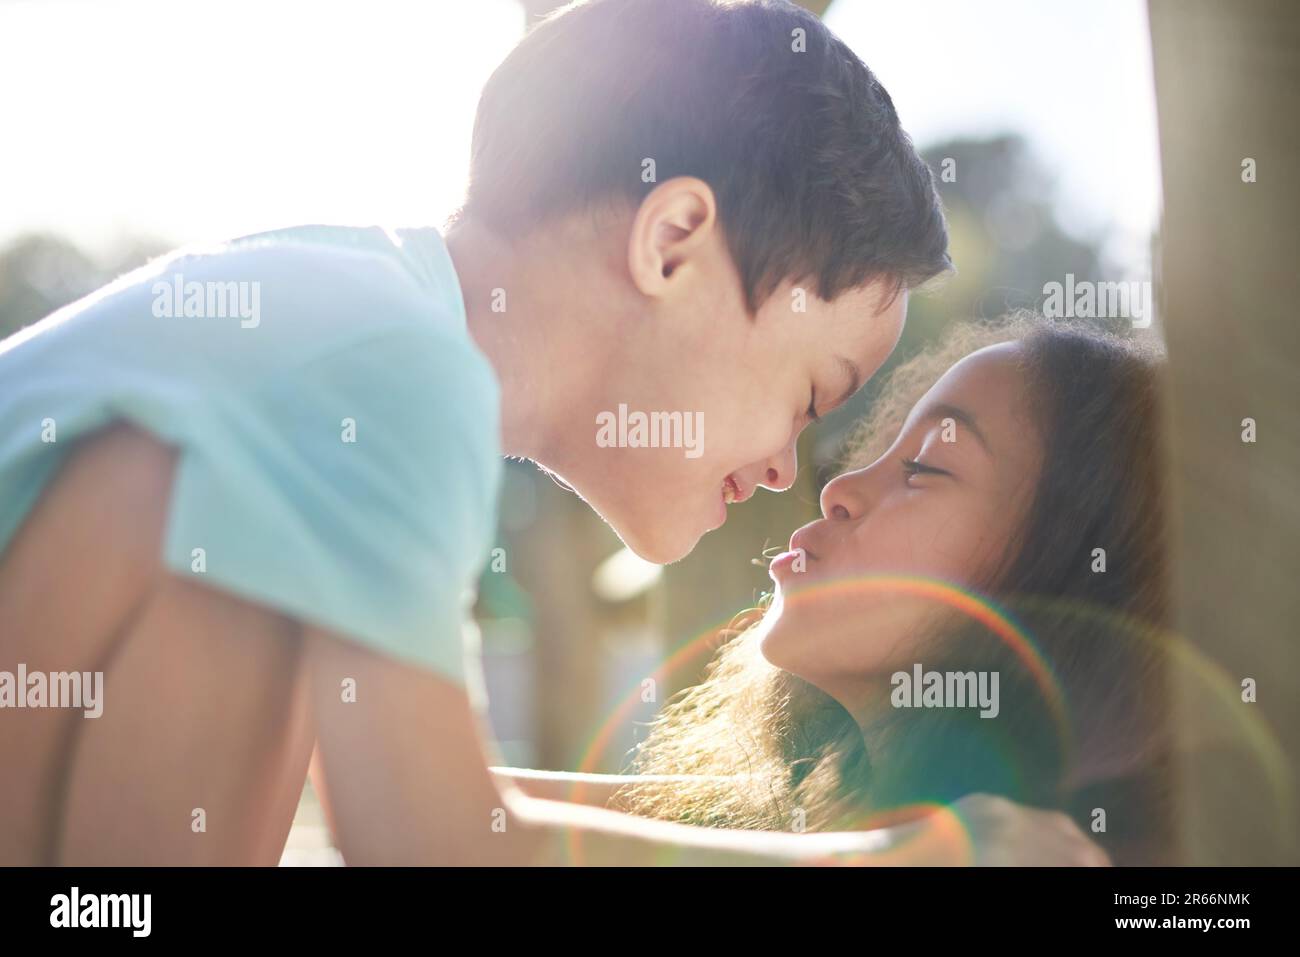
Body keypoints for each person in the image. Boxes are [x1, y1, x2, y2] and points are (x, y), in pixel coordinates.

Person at [0, 0, 1102, 865]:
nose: (785, 470)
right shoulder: (390, 372)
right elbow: (430, 840)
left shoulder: (356, 308)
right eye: (812, 398)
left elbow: (446, 797)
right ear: (672, 242)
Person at [573, 318, 1172, 865]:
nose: (840, 488)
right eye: (883, 451)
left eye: (926, 466)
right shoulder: (813, 817)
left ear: (1062, 583)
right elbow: (494, 817)